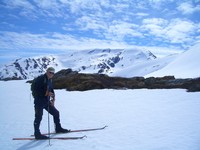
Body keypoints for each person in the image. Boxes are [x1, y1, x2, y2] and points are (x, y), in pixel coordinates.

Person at [32, 67, 70, 139]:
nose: (51, 74)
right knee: (38, 117)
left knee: (56, 113)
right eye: (50, 72)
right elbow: (37, 91)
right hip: (39, 102)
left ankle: (58, 128)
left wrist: (53, 100)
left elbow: (51, 90)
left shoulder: (49, 80)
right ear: (47, 72)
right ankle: (37, 134)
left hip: (46, 101)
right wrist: (46, 94)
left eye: (53, 73)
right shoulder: (41, 79)